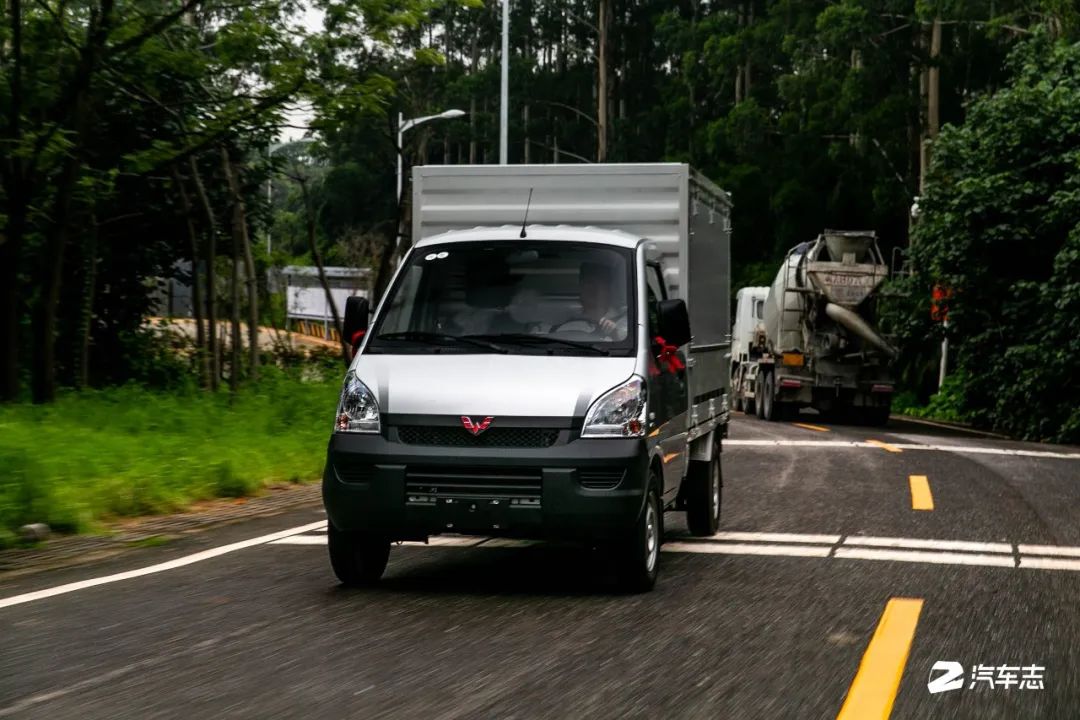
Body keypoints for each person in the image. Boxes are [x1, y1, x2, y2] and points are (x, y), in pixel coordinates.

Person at [577, 261, 628, 340]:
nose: (593, 289)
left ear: (609, 289)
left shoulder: (626, 325)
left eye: (600, 284)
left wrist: (615, 336)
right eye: (589, 283)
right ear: (581, 287)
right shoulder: (569, 323)